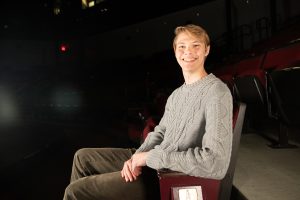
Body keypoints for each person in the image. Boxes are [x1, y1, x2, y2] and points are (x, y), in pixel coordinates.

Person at [63, 24, 233, 200]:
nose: (188, 51)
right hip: (156, 161)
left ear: (207, 50)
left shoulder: (217, 92)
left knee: (76, 191)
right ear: (175, 51)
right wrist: (137, 157)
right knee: (82, 158)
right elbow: (160, 133)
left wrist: (149, 158)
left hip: (168, 176)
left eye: (196, 45)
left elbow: (216, 163)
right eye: (182, 46)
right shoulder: (177, 94)